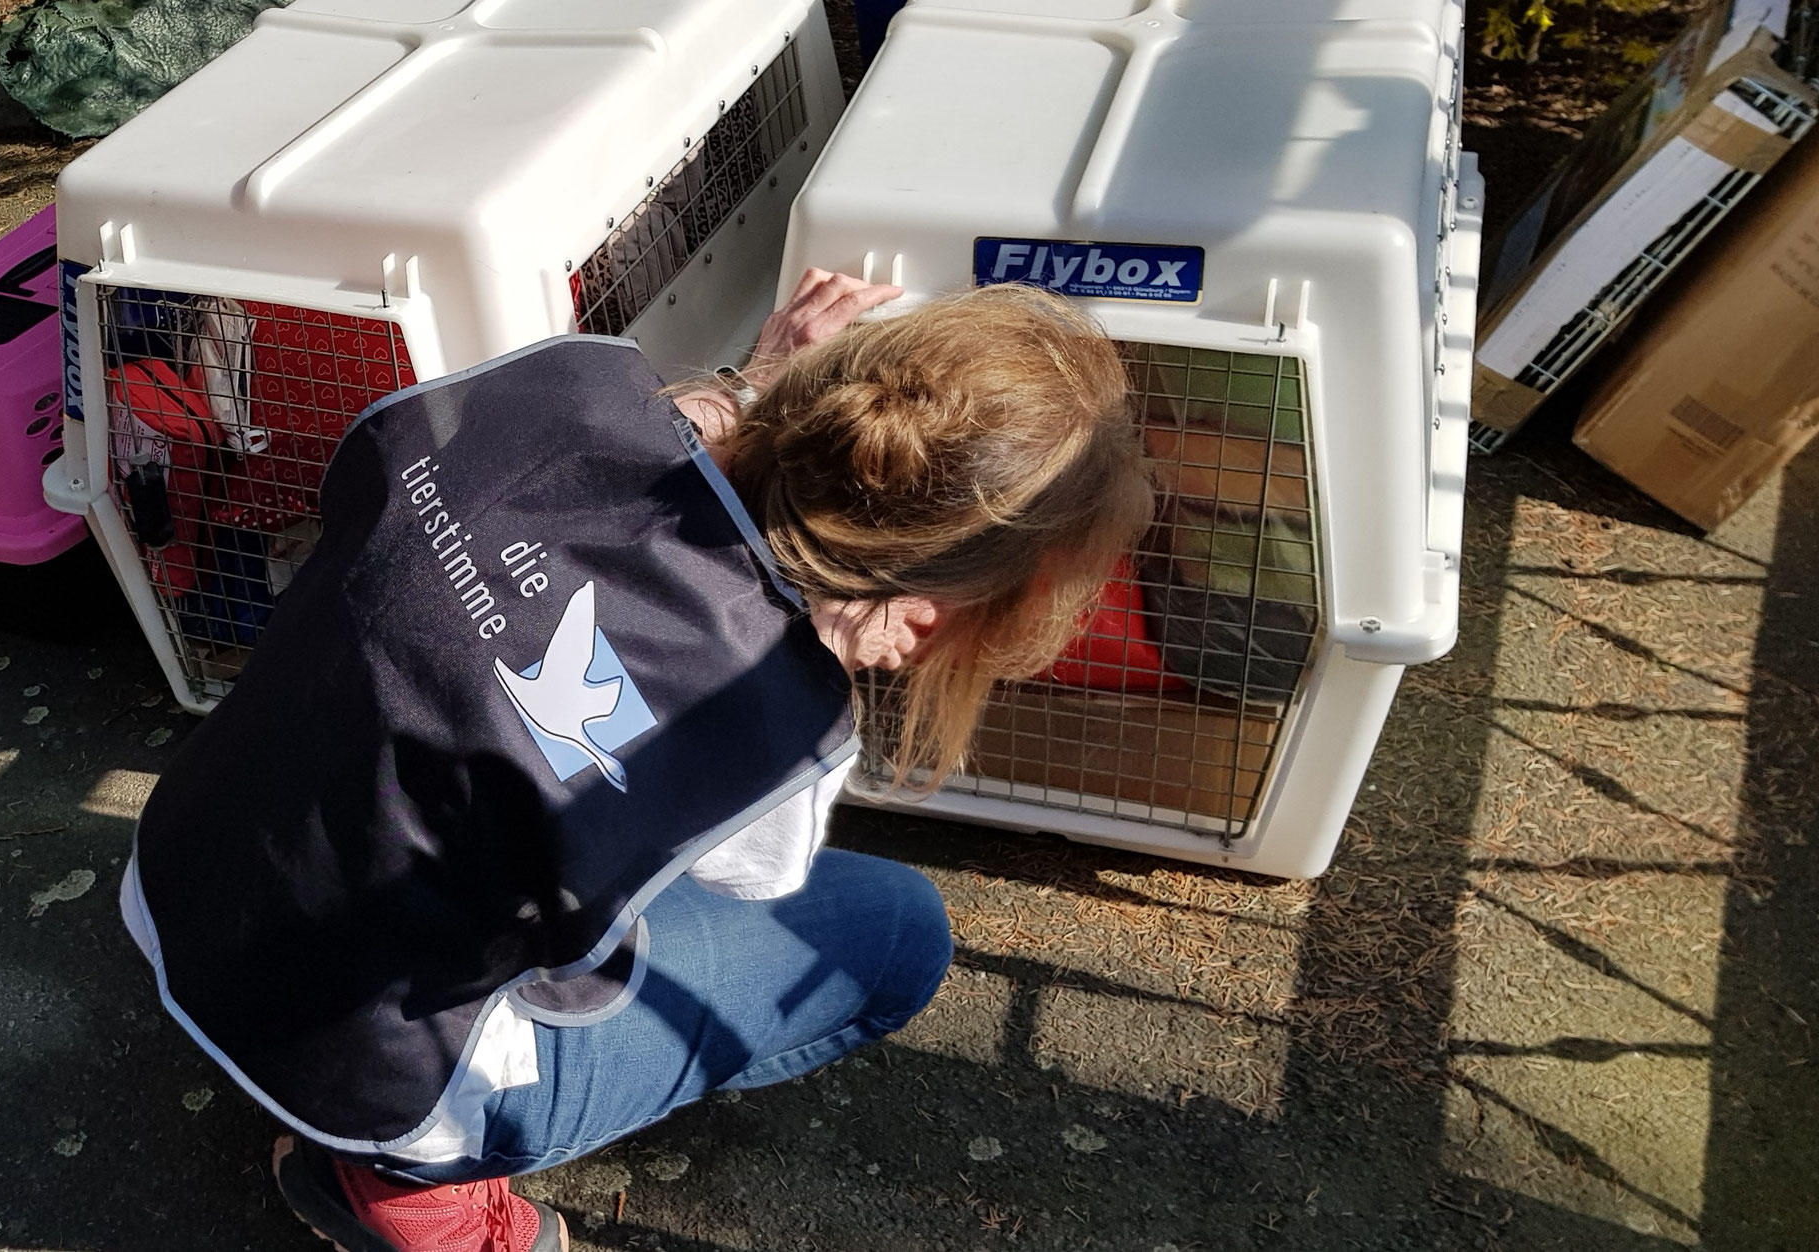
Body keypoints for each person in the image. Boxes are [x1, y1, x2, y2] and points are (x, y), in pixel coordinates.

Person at [122, 270, 1153, 1252]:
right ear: (921, 619)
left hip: (184, 876)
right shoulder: (781, 722)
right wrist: (821, 635)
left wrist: (747, 386)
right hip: (362, 1061)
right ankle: (404, 1189)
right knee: (892, 933)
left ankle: (366, 1132)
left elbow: (444, 471)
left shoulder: (561, 380)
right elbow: (749, 876)